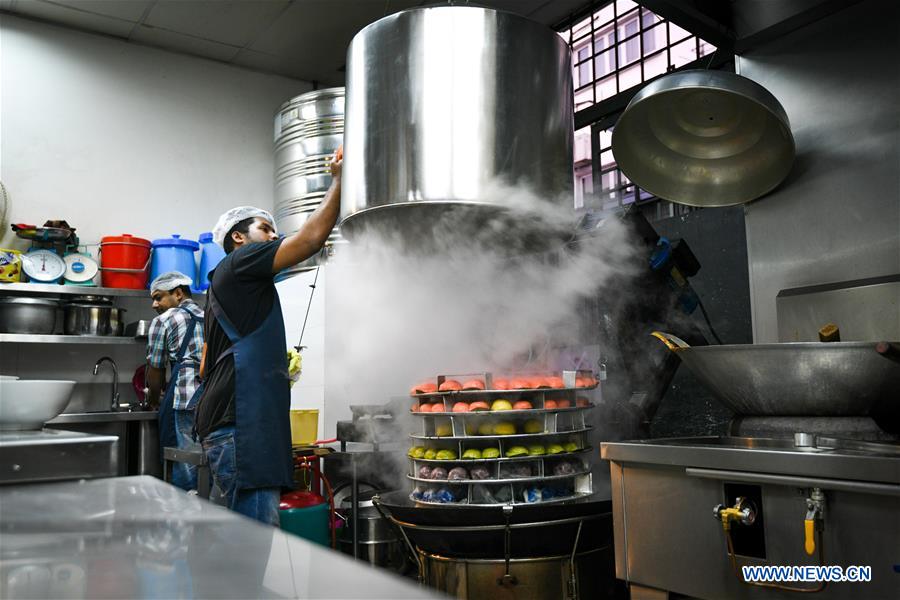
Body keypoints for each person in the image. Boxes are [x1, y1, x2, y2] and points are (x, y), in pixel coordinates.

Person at [194, 146, 342, 525]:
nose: (275, 235)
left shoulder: (225, 283)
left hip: (228, 426)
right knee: (255, 545)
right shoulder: (242, 261)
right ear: (238, 238)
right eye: (266, 228)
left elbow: (205, 365)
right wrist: (339, 181)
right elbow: (309, 241)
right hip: (241, 428)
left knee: (240, 542)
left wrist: (275, 369)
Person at [146, 270, 205, 491]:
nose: (154, 304)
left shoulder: (164, 320)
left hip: (185, 397)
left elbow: (155, 369)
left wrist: (153, 399)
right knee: (207, 462)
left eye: (158, 297)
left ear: (178, 293)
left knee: (185, 462)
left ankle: (185, 517)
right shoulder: (212, 315)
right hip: (215, 397)